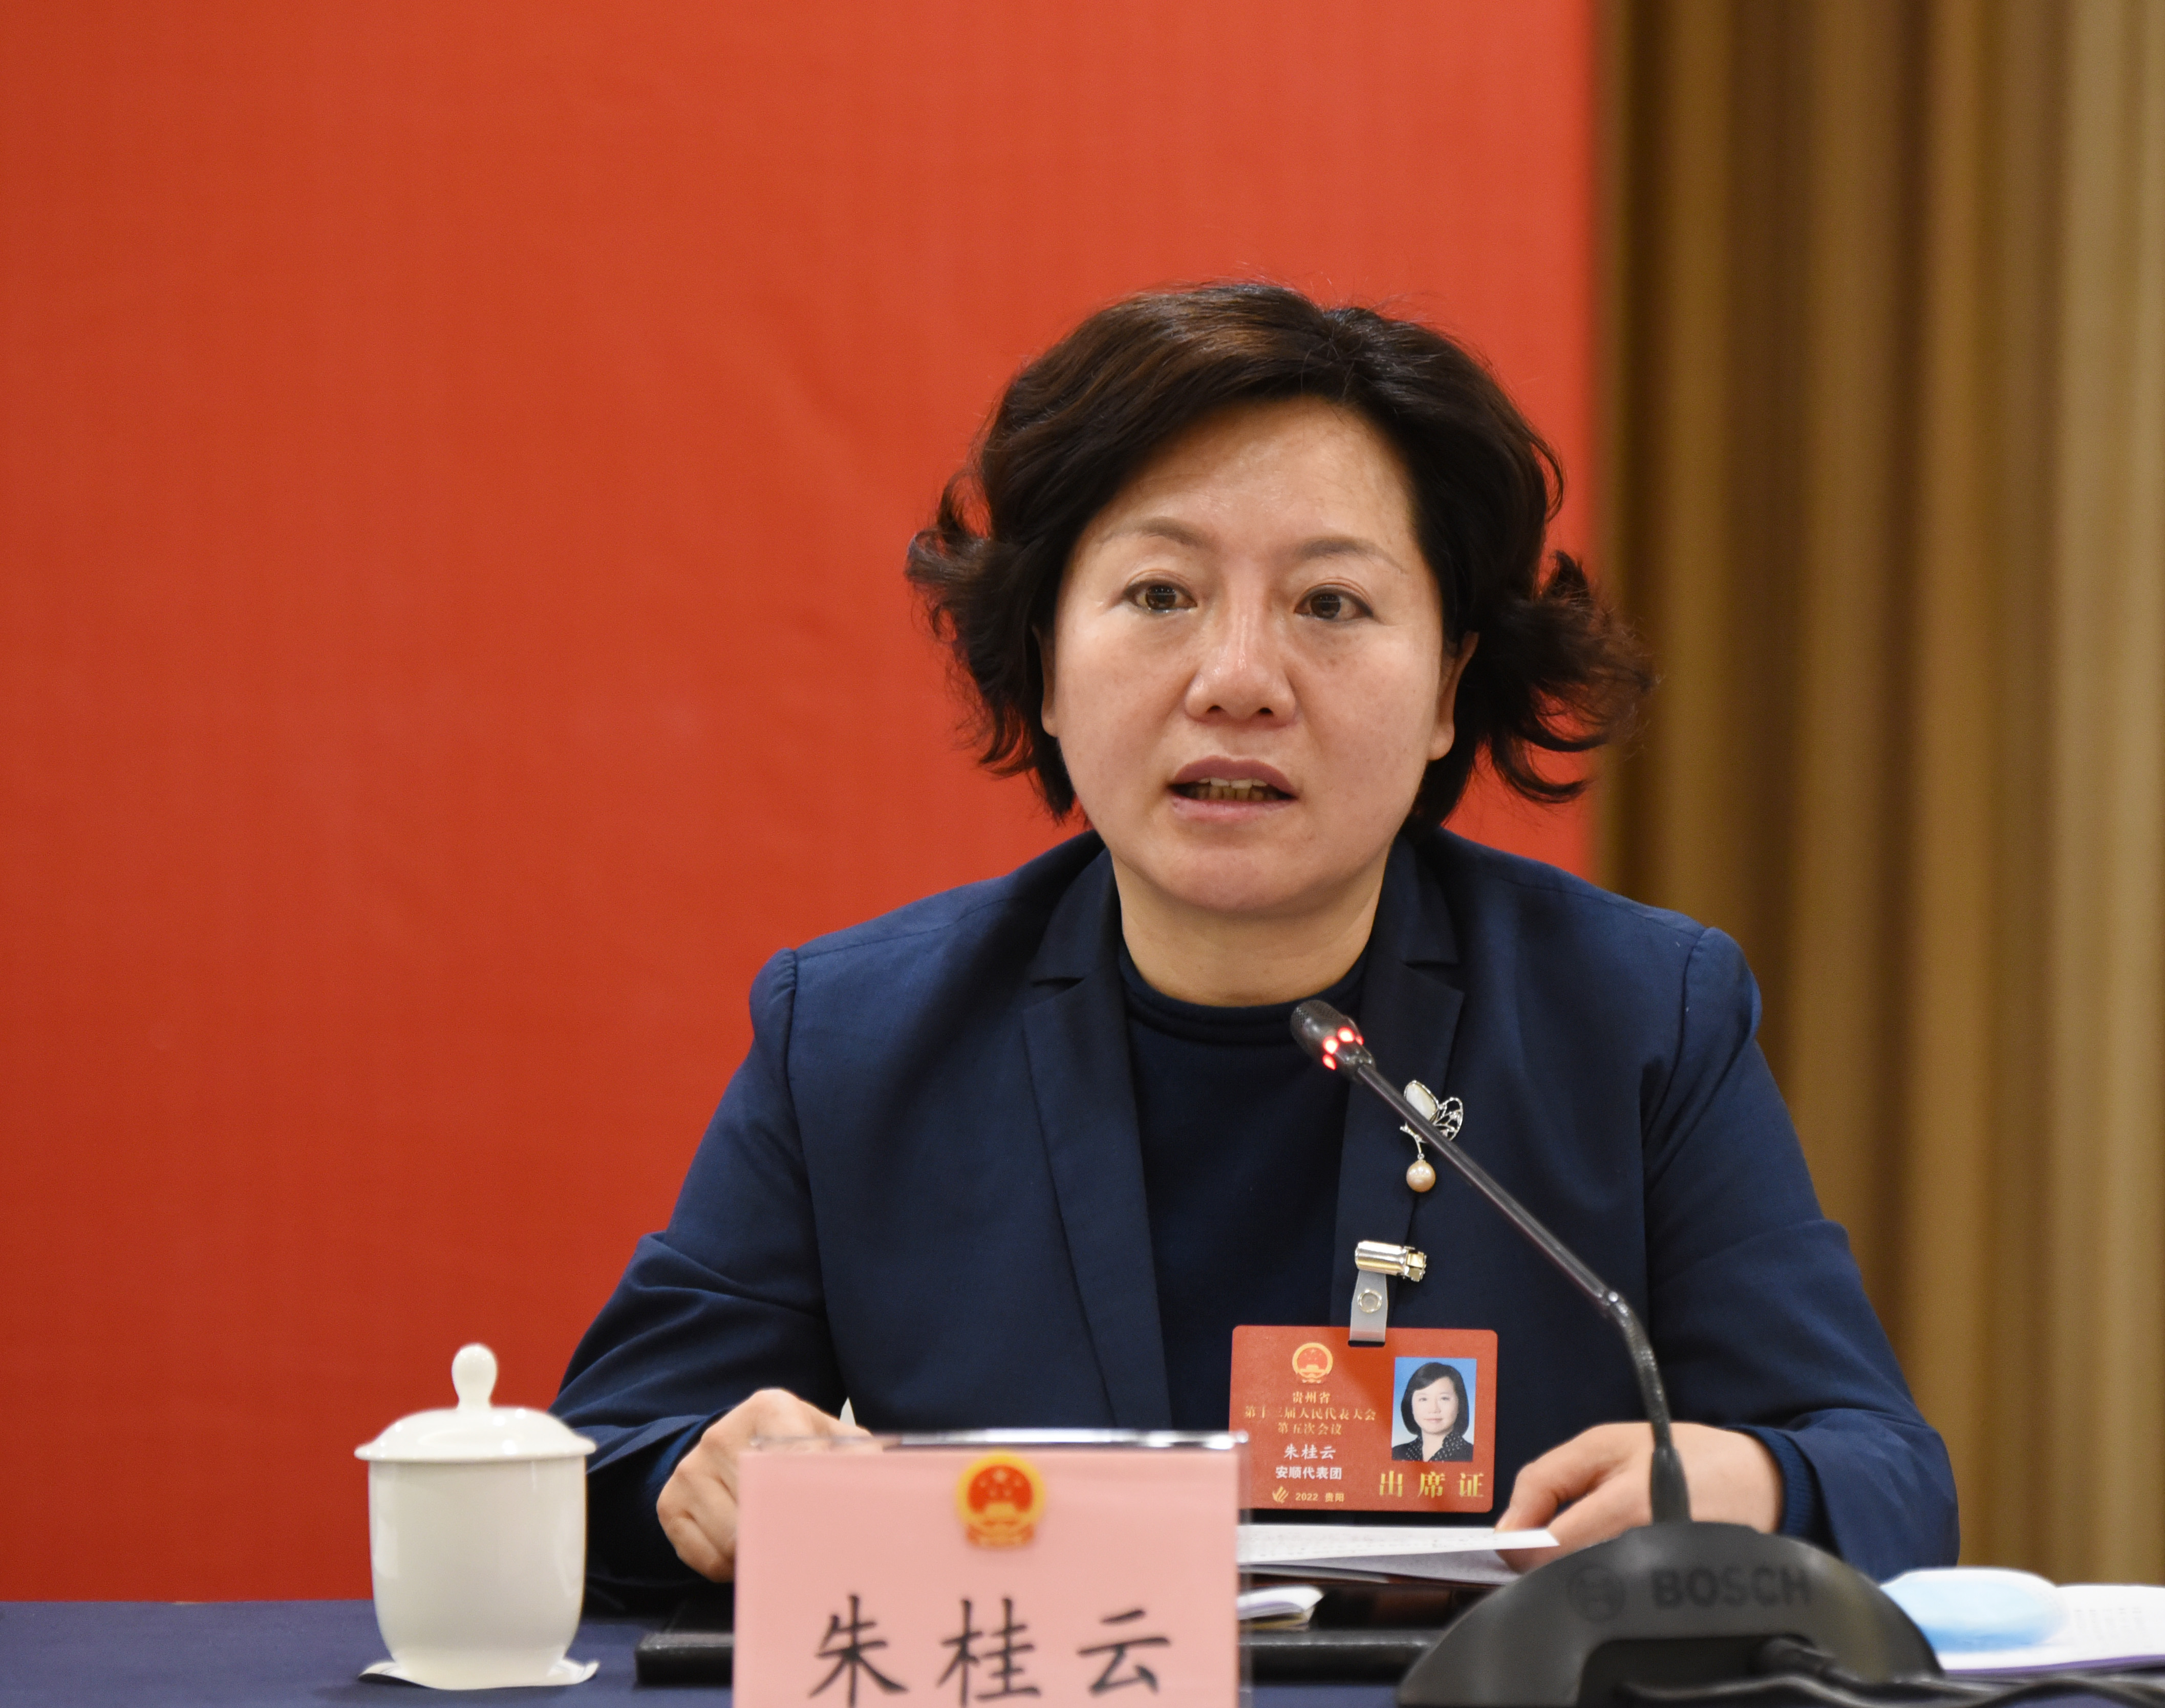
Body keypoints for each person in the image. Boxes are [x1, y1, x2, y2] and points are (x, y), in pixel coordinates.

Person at [551, 283, 1958, 1607]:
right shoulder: (857, 1036)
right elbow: (602, 1457)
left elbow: (1886, 1474)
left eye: (1329, 604)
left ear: (1447, 691)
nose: (1236, 681)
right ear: (1045, 666)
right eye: (1160, 595)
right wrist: (698, 1481)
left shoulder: (1635, 1014)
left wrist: (1751, 1482)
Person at [1389, 1361, 1473, 1465]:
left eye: (1444, 1399)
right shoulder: (1396, 1453)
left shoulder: (1472, 1455)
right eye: (1424, 1399)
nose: (1434, 1409)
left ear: (1460, 1404)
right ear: (1410, 1405)